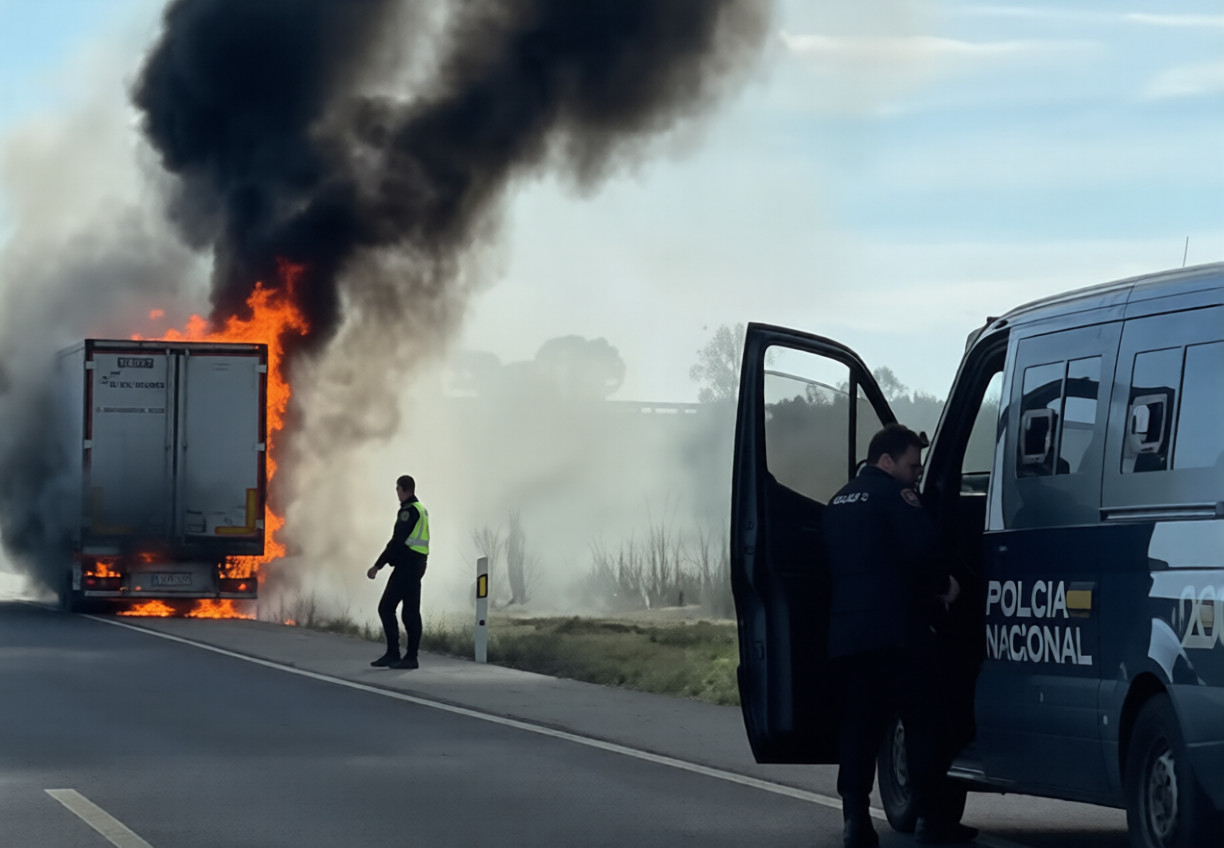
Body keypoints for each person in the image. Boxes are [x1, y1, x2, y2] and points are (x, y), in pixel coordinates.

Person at [822, 424, 977, 848]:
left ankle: (855, 820)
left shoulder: (837, 502)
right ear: (886, 461)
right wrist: (946, 586)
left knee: (859, 727)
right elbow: (924, 551)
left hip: (849, 639)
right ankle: (931, 817)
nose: (917, 475)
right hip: (900, 634)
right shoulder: (897, 497)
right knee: (924, 722)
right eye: (912, 465)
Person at [367, 474, 429, 670]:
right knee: (411, 612)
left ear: (404, 489)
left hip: (407, 566)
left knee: (386, 607)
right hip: (418, 565)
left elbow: (397, 542)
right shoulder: (421, 509)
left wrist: (378, 565)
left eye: (397, 489)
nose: (396, 493)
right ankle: (410, 657)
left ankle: (394, 653)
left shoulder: (408, 512)